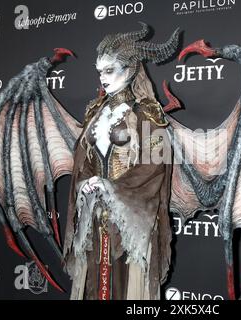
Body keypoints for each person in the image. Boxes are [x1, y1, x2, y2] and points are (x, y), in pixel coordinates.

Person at [62, 23, 180, 300]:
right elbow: (84, 161)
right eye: (99, 71)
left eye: (109, 70)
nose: (102, 78)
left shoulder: (149, 114)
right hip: (94, 217)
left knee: (126, 286)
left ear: (130, 70)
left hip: (131, 219)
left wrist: (112, 188)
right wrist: (85, 184)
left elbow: (155, 168)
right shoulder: (95, 112)